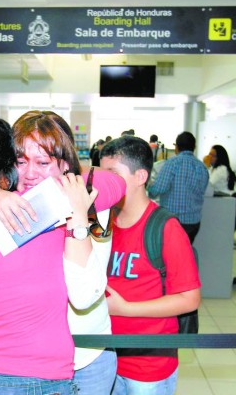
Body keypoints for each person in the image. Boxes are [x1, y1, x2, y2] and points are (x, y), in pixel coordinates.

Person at [0, 110, 127, 395]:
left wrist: (71, 193)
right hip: (37, 367)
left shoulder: (80, 198)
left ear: (66, 163)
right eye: (20, 161)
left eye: (43, 162)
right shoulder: (22, 209)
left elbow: (116, 183)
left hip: (87, 353)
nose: (29, 173)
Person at [99, 136, 201, 395]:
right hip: (106, 359)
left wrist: (126, 309)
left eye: (113, 174)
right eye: (102, 173)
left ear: (140, 176)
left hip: (149, 365)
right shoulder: (102, 222)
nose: (105, 182)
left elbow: (189, 299)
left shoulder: (165, 228)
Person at [148, 132, 209, 244]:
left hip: (173, 221)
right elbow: (203, 190)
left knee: (169, 256)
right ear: (194, 147)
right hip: (193, 223)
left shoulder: (172, 163)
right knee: (185, 253)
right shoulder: (202, 167)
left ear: (176, 147)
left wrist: (148, 189)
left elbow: (158, 189)